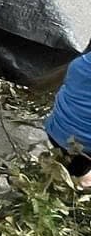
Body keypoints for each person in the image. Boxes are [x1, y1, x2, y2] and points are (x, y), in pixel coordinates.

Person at [44, 52, 91, 190]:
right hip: (84, 150)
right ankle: (83, 179)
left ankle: (77, 170)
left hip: (56, 133)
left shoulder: (81, 62)